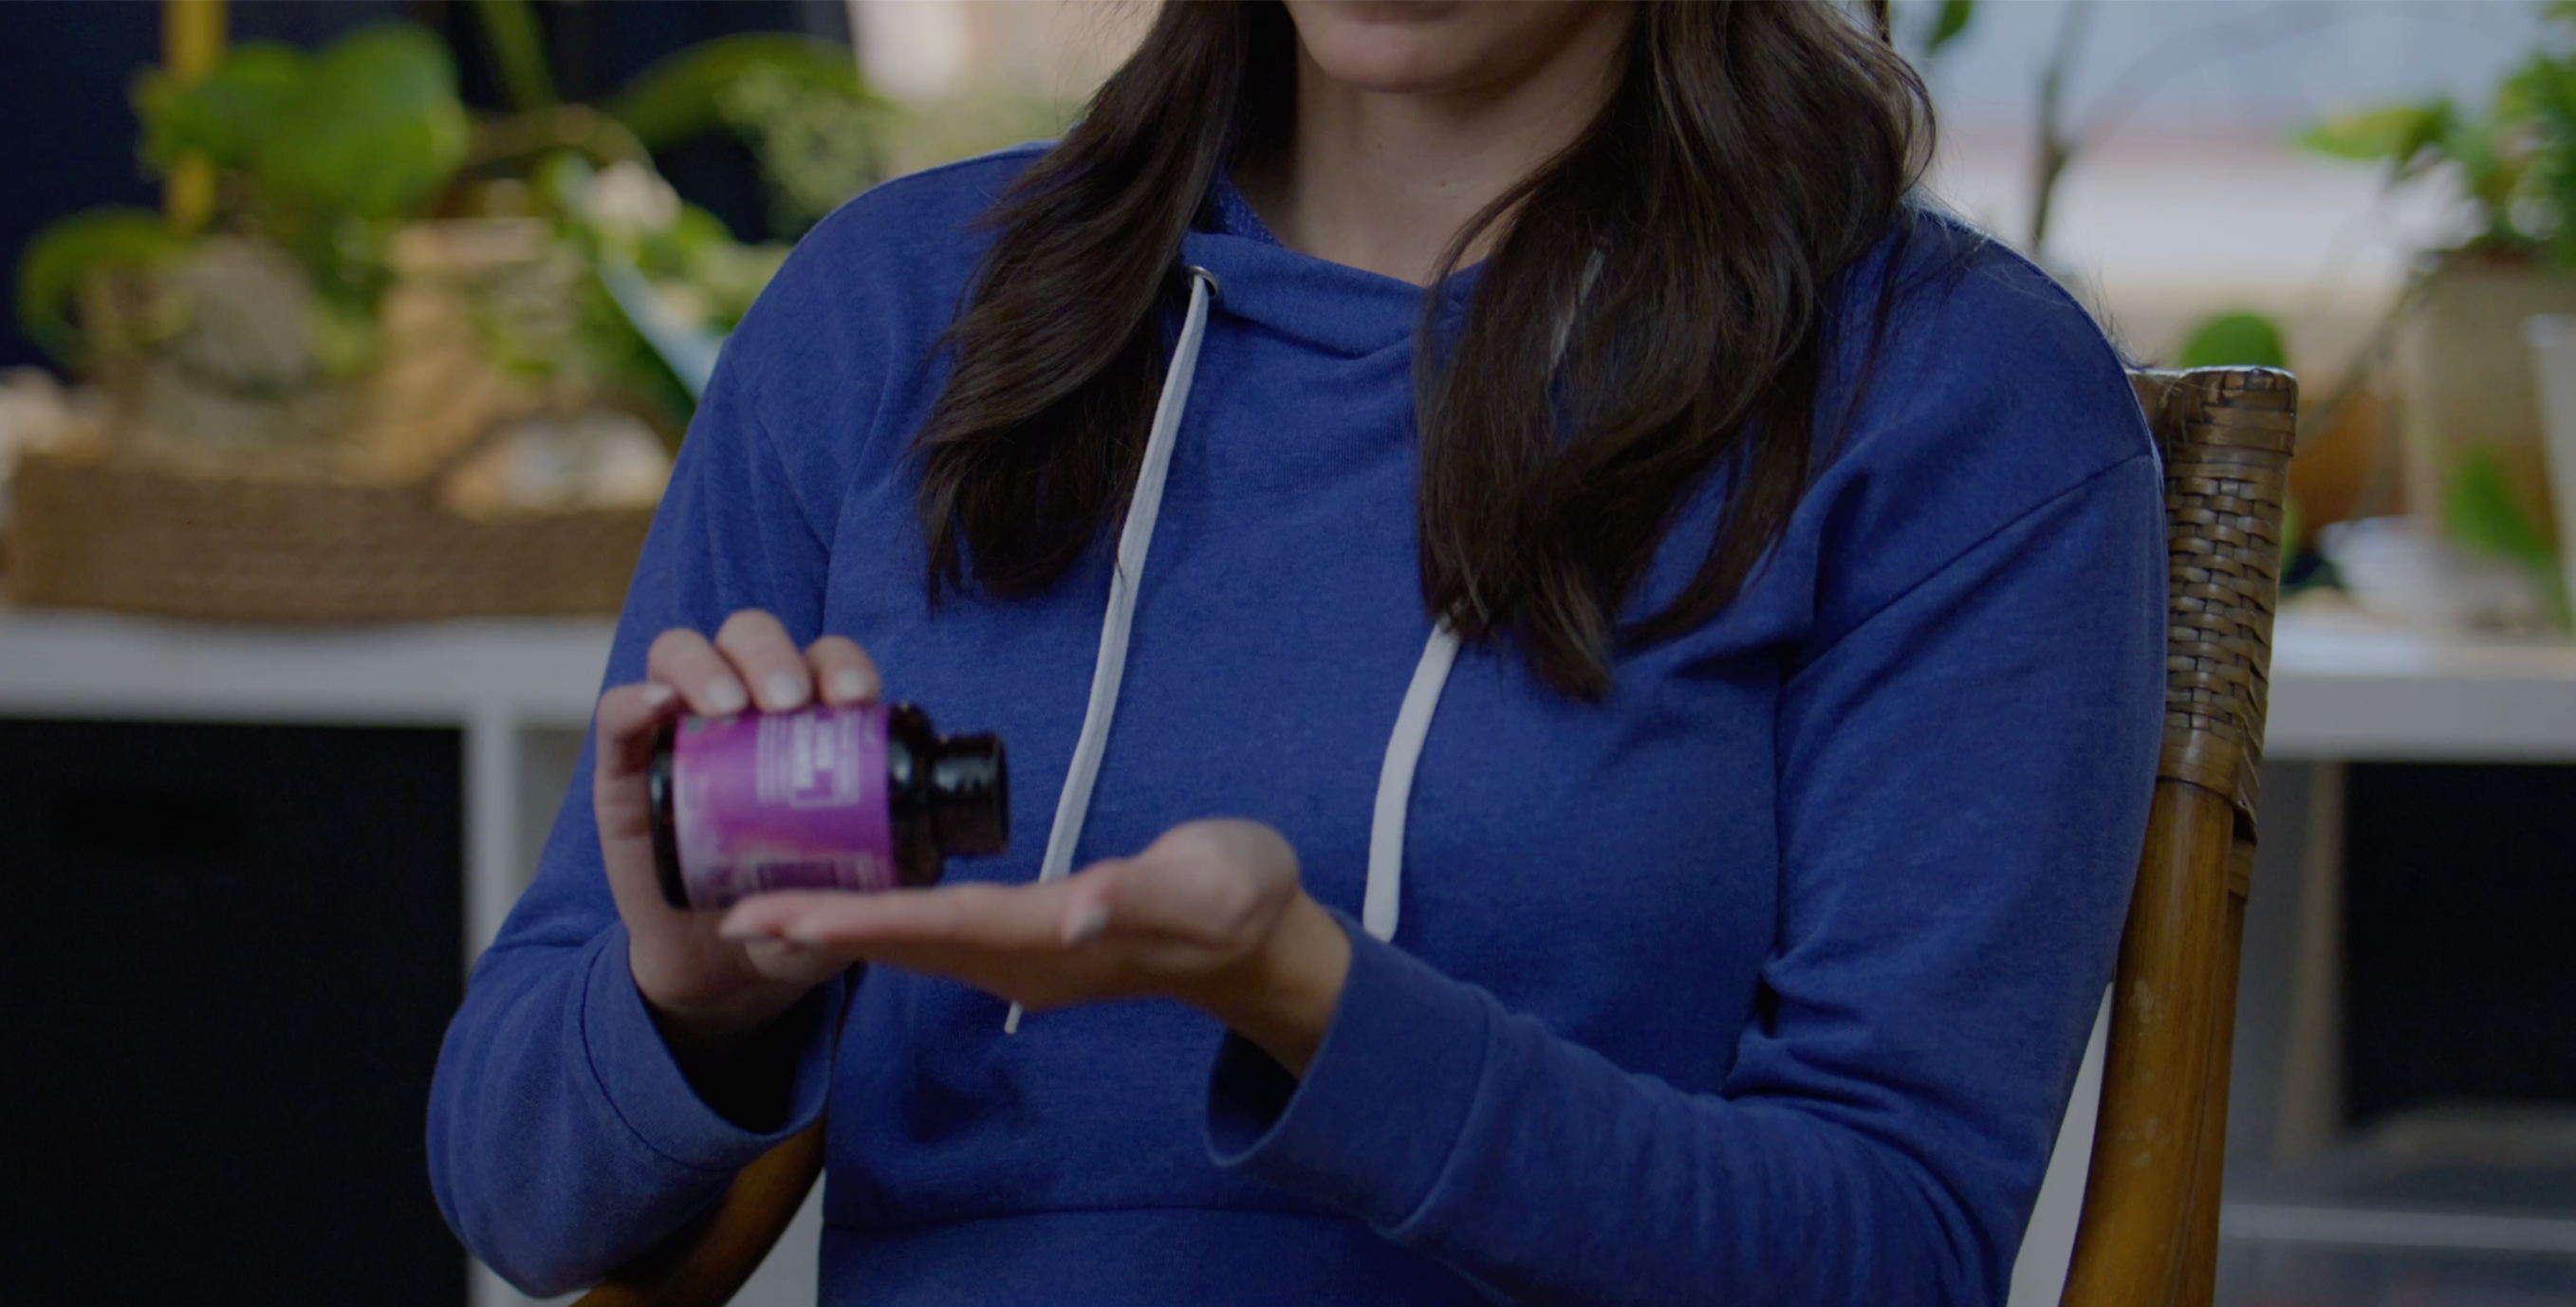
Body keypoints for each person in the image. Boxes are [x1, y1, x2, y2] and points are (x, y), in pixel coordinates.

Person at [428, 3, 2167, 1303]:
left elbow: (1894, 1248)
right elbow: (519, 1195)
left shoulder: (1950, 403)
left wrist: (1310, 1005)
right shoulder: (890, 314)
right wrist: (693, 1001)